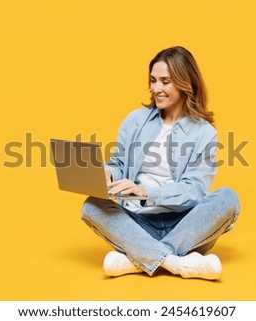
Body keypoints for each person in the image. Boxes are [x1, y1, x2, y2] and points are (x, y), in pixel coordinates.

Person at [81, 46, 240, 280]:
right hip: (137, 221)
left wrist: (146, 191)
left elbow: (194, 190)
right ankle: (177, 263)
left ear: (186, 83)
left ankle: (137, 259)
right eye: (153, 81)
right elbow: (118, 161)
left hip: (184, 224)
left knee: (228, 198)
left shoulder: (204, 133)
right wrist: (108, 174)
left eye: (165, 82)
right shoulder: (135, 121)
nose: (156, 88)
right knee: (91, 206)